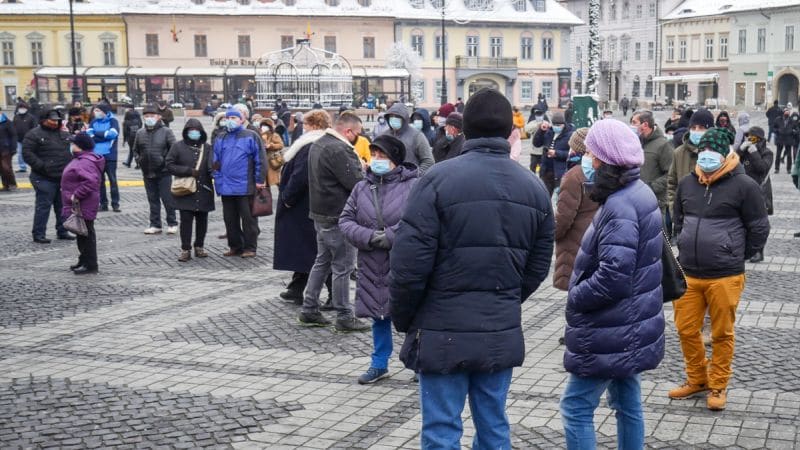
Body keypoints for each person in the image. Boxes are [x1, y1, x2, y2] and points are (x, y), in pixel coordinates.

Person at [390, 88, 554, 448]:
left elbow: (408, 265)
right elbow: (538, 264)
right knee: (494, 426)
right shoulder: (534, 187)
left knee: (441, 430)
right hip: (498, 325)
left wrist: (404, 318)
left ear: (465, 128)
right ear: (509, 128)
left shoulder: (436, 180)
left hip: (439, 326)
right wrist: (507, 296)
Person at [560, 118, 665, 450]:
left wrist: (576, 296)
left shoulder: (620, 205)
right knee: (627, 404)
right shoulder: (638, 192)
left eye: (591, 153)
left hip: (611, 328)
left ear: (605, 158)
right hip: (629, 324)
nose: (586, 160)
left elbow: (613, 276)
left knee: (575, 407)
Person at [670, 127, 769, 411]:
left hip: (725, 274)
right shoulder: (688, 183)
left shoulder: (744, 185)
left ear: (726, 153)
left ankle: (718, 384)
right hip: (689, 271)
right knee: (686, 329)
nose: (706, 157)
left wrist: (738, 253)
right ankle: (697, 378)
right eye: (702, 152)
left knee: (722, 333)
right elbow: (678, 218)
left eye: (712, 152)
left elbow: (759, 227)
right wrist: (682, 242)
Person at [339, 134, 419, 384]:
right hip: (372, 261)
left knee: (414, 314)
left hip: (404, 260)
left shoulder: (414, 185)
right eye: (374, 155)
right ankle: (379, 363)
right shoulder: (362, 186)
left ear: (395, 158)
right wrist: (370, 237)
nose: (376, 160)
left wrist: (392, 236)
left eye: (382, 155)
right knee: (379, 314)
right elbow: (345, 220)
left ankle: (419, 362)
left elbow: (420, 220)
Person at [298, 111, 370, 332]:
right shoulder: (340, 149)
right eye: (357, 134)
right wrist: (364, 171)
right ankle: (344, 315)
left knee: (323, 261)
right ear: (348, 131)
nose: (357, 138)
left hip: (320, 214)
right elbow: (356, 183)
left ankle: (309, 308)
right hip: (339, 216)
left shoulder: (319, 143)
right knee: (343, 266)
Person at [274, 110, 333, 304]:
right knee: (306, 248)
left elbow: (300, 176)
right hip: (309, 203)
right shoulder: (321, 143)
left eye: (306, 124)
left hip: (303, 205)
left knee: (315, 249)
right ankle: (297, 287)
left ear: (315, 125)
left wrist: (287, 198)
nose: (303, 128)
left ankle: (333, 292)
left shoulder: (310, 145)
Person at [212, 107, 266, 258]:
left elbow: (260, 160)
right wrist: (217, 179)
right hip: (227, 187)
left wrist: (259, 180)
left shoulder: (251, 136)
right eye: (228, 118)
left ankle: (250, 247)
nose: (230, 121)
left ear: (241, 120)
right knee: (230, 220)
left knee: (248, 220)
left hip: (246, 186)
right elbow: (215, 161)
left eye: (234, 118)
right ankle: (235, 246)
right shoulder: (221, 137)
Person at [553, 127, 597, 294]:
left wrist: (552, 233)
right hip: (592, 240)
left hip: (574, 245)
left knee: (578, 296)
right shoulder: (599, 172)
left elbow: (564, 217)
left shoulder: (573, 176)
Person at [22, 106, 75, 244]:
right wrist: (42, 166)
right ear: (44, 120)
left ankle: (62, 230)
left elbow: (71, 150)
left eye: (57, 120)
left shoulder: (63, 134)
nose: (55, 122)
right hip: (43, 177)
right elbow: (27, 154)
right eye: (52, 120)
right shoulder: (33, 134)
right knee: (43, 206)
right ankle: (39, 233)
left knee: (62, 206)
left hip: (61, 176)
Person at [166, 119, 214, 262]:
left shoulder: (207, 147)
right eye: (191, 130)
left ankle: (199, 246)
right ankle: (185, 249)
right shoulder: (177, 146)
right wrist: (187, 171)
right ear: (186, 132)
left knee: (202, 221)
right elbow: (169, 164)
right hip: (185, 191)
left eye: (197, 130)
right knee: (186, 221)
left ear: (201, 132)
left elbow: (211, 166)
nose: (194, 133)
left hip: (204, 189)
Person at [60, 133, 104, 275]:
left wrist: (76, 195)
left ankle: (90, 264)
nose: (71, 146)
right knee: (82, 233)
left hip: (83, 203)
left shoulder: (85, 161)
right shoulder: (82, 159)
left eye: (73, 144)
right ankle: (84, 260)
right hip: (81, 204)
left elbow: (90, 182)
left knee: (86, 235)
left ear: (80, 146)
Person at [133, 103, 178, 235]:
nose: (149, 118)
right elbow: (135, 150)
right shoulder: (140, 133)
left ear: (159, 117)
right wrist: (139, 160)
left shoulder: (166, 131)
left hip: (163, 172)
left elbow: (174, 149)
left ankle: (172, 223)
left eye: (151, 116)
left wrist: (165, 162)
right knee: (152, 199)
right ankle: (155, 224)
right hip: (147, 171)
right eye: (146, 116)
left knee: (167, 199)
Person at [736, 126, 773, 262]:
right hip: (742, 190)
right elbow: (732, 159)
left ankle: (759, 251)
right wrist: (741, 149)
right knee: (741, 221)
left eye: (753, 138)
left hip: (759, 190)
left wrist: (755, 152)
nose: (750, 140)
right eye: (748, 137)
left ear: (760, 139)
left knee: (758, 223)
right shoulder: (744, 151)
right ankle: (744, 249)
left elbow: (762, 168)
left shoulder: (767, 153)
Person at [667, 108, 713, 211]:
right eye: (693, 127)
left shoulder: (717, 153)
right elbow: (672, 183)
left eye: (701, 128)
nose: (696, 131)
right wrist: (674, 209)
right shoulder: (678, 153)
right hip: (684, 215)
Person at [631, 110, 673, 215]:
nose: (631, 126)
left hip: (654, 202)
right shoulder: (634, 142)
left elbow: (671, 174)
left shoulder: (663, 145)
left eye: (634, 122)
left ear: (645, 125)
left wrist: (651, 187)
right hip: (633, 200)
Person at [88, 103, 121, 213]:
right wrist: (104, 135)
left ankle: (115, 203)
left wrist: (97, 135)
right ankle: (103, 204)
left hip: (110, 155)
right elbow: (89, 136)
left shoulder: (113, 121)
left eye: (98, 110)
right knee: (99, 181)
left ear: (104, 111)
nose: (95, 112)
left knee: (113, 180)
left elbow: (113, 134)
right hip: (96, 156)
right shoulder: (93, 121)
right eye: (95, 110)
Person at [383, 103, 434, 174]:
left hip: (410, 181)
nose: (394, 119)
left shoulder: (417, 135)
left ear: (404, 118)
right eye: (391, 116)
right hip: (388, 180)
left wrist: (415, 175)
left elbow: (428, 161)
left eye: (397, 116)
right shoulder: (384, 136)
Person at [534, 111, 574, 198]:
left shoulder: (570, 134)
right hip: (546, 170)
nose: (556, 127)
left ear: (564, 124)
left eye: (559, 125)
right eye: (554, 125)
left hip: (560, 172)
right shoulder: (549, 132)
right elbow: (536, 143)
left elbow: (572, 154)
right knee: (545, 197)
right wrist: (541, 131)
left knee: (560, 199)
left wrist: (557, 153)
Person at [258, 118, 284, 187]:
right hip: (262, 160)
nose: (263, 127)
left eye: (265, 126)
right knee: (265, 181)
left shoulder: (274, 135)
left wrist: (271, 145)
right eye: (262, 126)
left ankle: (283, 193)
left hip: (272, 160)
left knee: (276, 180)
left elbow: (281, 145)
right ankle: (267, 195)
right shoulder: (259, 135)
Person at [13, 101, 36, 173]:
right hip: (19, 139)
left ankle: (34, 166)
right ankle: (22, 167)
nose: (22, 109)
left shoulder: (31, 117)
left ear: (26, 108)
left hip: (29, 139)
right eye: (20, 108)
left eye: (23, 108)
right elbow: (13, 127)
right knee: (20, 153)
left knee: (30, 153)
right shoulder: (16, 117)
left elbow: (34, 127)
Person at [524, 108, 549, 173]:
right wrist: (538, 125)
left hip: (543, 150)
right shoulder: (532, 123)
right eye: (537, 115)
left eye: (540, 115)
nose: (539, 116)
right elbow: (526, 129)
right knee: (532, 168)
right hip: (534, 151)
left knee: (543, 169)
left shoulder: (546, 123)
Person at [774, 108, 796, 174]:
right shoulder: (778, 119)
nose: (787, 114)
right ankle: (777, 169)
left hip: (789, 139)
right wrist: (777, 131)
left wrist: (793, 132)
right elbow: (774, 127)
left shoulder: (792, 120)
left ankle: (789, 169)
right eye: (785, 112)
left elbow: (796, 129)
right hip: (780, 139)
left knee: (789, 155)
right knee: (778, 155)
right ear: (783, 113)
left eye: (788, 113)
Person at [0, 108, 17, 191]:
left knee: (6, 167)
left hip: (6, 149)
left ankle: (12, 184)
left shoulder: (7, 122)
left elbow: (13, 135)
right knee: (1, 168)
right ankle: (5, 185)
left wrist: (13, 148)